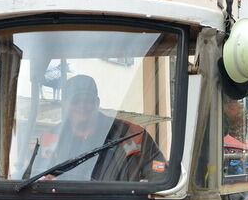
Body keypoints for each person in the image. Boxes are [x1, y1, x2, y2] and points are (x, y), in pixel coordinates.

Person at [35, 75, 165, 182]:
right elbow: (32, 177)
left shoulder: (131, 134)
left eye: (87, 100)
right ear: (65, 105)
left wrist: (143, 193)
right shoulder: (50, 138)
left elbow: (160, 171)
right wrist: (44, 180)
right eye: (75, 101)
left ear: (97, 103)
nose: (82, 106)